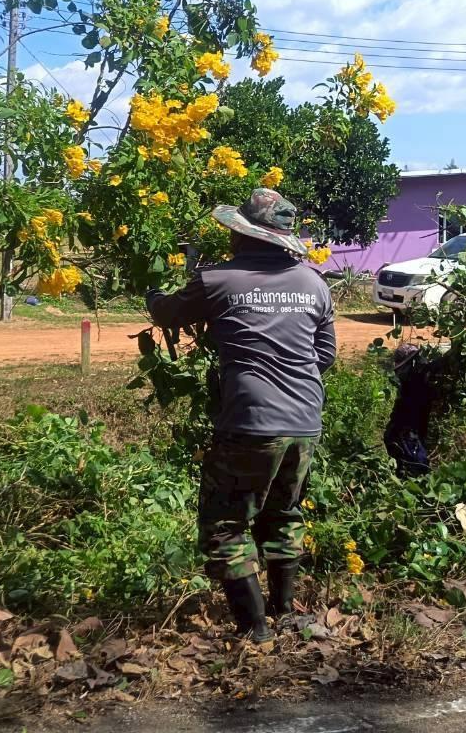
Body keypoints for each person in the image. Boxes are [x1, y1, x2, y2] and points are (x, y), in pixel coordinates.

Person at [146, 188, 336, 642]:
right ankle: (285, 611)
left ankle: (255, 630)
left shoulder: (218, 281)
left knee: (225, 525)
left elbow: (168, 314)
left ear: (245, 236)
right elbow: (324, 356)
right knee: (283, 513)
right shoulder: (315, 284)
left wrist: (150, 290)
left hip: (251, 422)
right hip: (305, 420)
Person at [383, 342, 448, 477]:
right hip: (404, 427)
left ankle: (416, 480)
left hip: (410, 427)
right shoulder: (413, 378)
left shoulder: (419, 376)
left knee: (414, 462)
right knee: (412, 462)